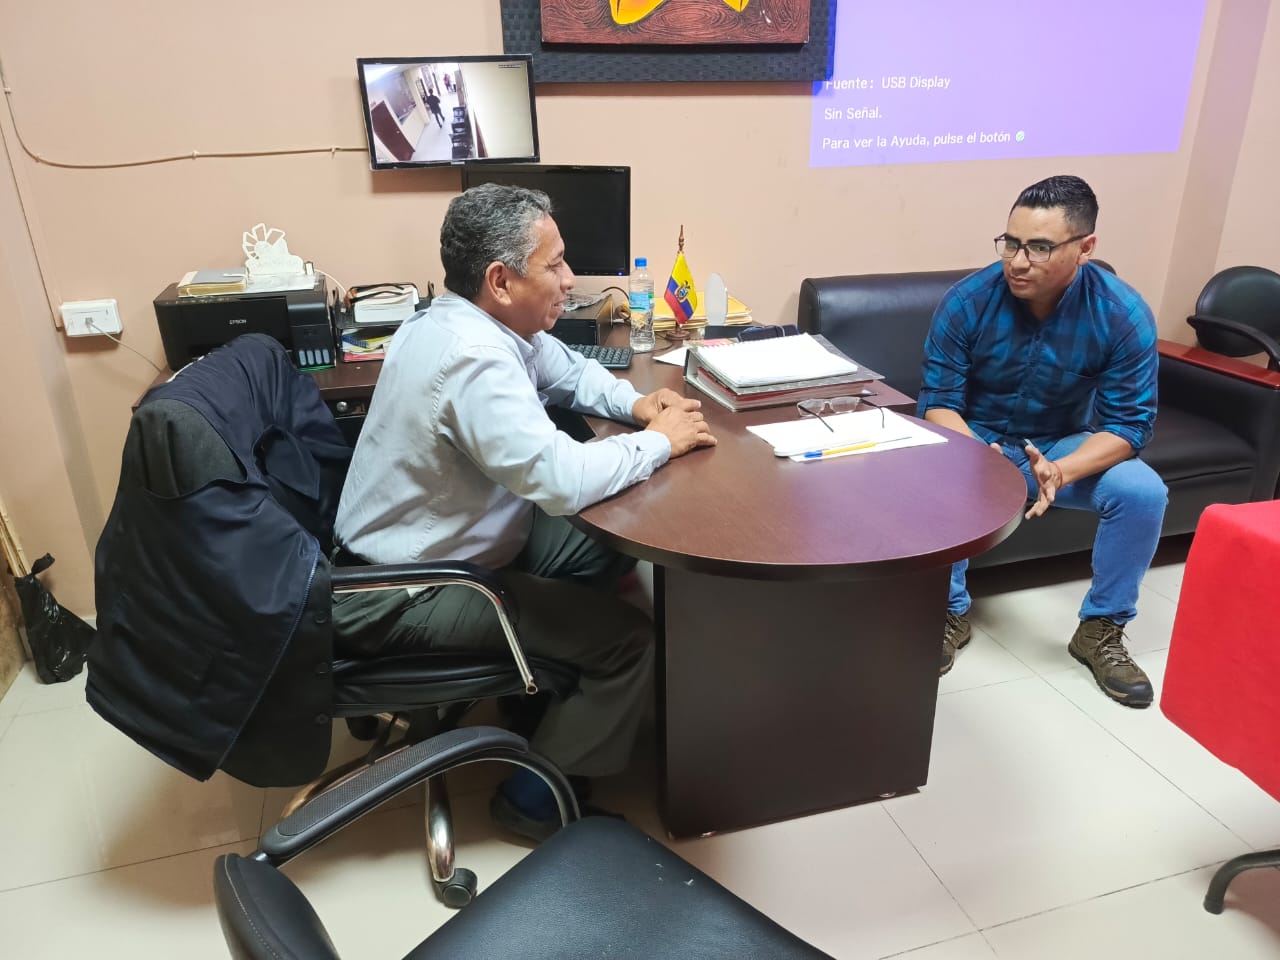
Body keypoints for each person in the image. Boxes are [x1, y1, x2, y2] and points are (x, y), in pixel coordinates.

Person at [333, 183, 716, 840]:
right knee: (628, 643)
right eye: (555, 264)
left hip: (446, 542)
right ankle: (534, 802)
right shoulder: (473, 358)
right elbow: (561, 481)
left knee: (611, 537)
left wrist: (636, 406)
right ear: (500, 281)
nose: (569, 279)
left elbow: (567, 370)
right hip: (410, 589)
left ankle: (542, 691)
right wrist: (661, 441)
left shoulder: (460, 318)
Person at [918, 175, 1167, 707]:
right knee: (935, 466)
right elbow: (938, 402)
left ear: (1085, 248)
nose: (1018, 261)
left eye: (1039, 247)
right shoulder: (967, 301)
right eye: (1010, 243)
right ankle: (948, 612)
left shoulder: (1121, 314)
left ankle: (1100, 628)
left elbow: (1129, 425)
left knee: (1143, 492)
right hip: (974, 441)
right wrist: (976, 457)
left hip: (1056, 446)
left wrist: (1064, 469)